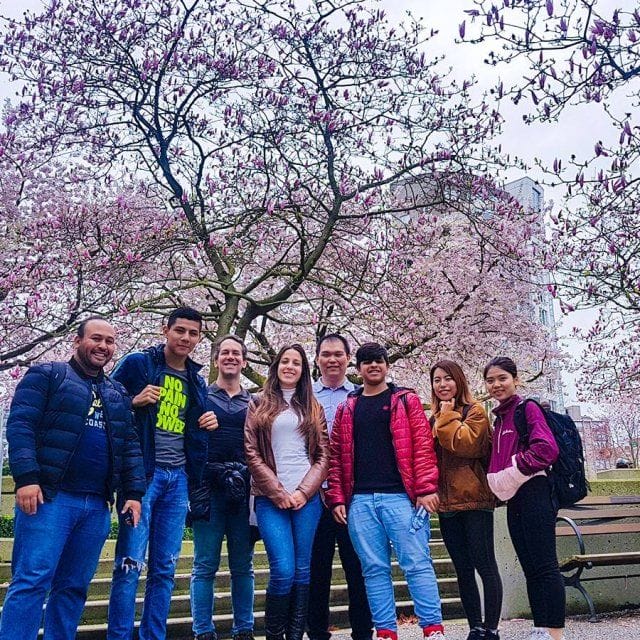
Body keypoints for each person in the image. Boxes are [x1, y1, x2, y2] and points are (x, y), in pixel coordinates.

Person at [0, 318, 146, 640]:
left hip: (95, 506)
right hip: (50, 499)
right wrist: (26, 478)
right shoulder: (47, 375)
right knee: (31, 581)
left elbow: (130, 445)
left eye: (110, 341)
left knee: (74, 587)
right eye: (96, 338)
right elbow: (21, 425)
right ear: (77, 340)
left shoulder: (117, 393)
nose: (103, 346)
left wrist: (134, 494)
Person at [107, 307, 218, 640]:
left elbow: (194, 429)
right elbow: (102, 403)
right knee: (129, 564)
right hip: (143, 478)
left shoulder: (196, 380)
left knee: (165, 568)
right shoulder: (139, 364)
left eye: (193, 333)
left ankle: (153, 635)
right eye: (179, 330)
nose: (186, 338)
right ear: (165, 329)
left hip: (178, 479)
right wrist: (132, 401)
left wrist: (207, 423)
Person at [327, 342, 445, 640]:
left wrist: (426, 488)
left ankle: (432, 628)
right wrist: (337, 498)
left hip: (401, 499)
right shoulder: (347, 408)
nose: (373, 366)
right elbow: (336, 457)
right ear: (358, 368)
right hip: (360, 502)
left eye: (378, 360)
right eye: (367, 361)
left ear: (387, 365)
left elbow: (423, 447)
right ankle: (385, 632)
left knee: (417, 563)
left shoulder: (406, 400)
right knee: (373, 569)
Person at [244, 343, 329, 640]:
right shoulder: (258, 403)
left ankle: (294, 636)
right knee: (283, 570)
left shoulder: (313, 407)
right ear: (276, 366)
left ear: (303, 370)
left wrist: (304, 492)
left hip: (307, 499)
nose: (290, 366)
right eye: (285, 361)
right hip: (270, 499)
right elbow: (251, 452)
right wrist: (278, 492)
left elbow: (323, 455)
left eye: (296, 363)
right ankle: (274, 635)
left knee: (303, 570)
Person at [483, 357, 564, 640]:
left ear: (516, 380)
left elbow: (546, 449)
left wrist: (513, 471)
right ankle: (540, 627)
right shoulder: (500, 418)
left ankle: (555, 632)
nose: (496, 385)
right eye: (490, 380)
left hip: (534, 492)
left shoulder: (527, 408)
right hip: (514, 498)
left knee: (545, 565)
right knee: (530, 567)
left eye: (502, 378)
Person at [430, 360, 502, 640]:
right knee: (462, 569)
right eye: (437, 380)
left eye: (448, 378)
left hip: (474, 500)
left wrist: (446, 417)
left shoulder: (475, 412)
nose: (443, 384)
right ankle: (475, 626)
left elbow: (466, 444)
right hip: (447, 504)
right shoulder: (434, 418)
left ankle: (491, 628)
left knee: (485, 564)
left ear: (459, 381)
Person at [189, 335, 255, 640]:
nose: (230, 357)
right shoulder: (201, 397)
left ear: (244, 361)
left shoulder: (255, 402)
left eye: (236, 353)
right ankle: (203, 630)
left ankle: (244, 629)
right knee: (204, 565)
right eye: (225, 352)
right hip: (208, 490)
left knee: (243, 565)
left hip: (242, 492)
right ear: (216, 359)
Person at [309, 334, 373, 640]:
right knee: (316, 569)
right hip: (314, 494)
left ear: (348, 359)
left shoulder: (360, 396)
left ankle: (362, 631)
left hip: (352, 495)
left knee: (358, 566)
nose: (332, 359)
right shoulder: (305, 396)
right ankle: (317, 631)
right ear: (317, 358)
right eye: (326, 354)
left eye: (338, 354)